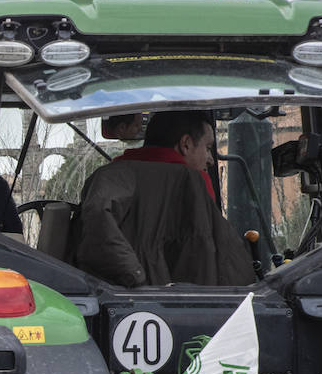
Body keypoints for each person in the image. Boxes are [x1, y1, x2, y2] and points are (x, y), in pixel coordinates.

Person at [71, 110, 256, 288]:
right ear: (186, 144)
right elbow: (225, 264)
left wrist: (135, 277)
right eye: (208, 148)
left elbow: (97, 225)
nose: (211, 160)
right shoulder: (193, 182)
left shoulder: (109, 176)